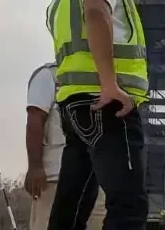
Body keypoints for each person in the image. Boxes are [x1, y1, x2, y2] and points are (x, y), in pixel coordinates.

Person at [46, 0, 151, 230]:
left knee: (71, 208)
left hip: (76, 108)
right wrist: (109, 84)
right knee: (129, 205)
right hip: (107, 105)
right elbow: (96, 13)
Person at [25, 59, 106, 229]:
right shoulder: (50, 76)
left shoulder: (104, 76)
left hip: (96, 181)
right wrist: (35, 167)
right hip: (55, 179)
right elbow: (35, 119)